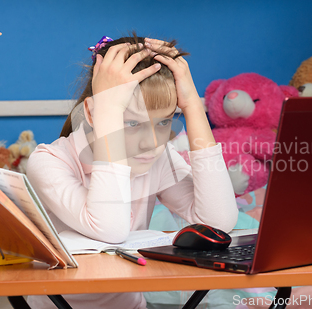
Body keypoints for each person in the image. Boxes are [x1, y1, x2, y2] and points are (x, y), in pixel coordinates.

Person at [26, 34, 239, 308]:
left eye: (164, 122)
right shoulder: (49, 161)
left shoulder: (158, 157)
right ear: (93, 114)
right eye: (131, 123)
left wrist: (194, 107)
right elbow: (110, 229)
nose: (151, 141)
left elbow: (218, 223)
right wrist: (109, 112)